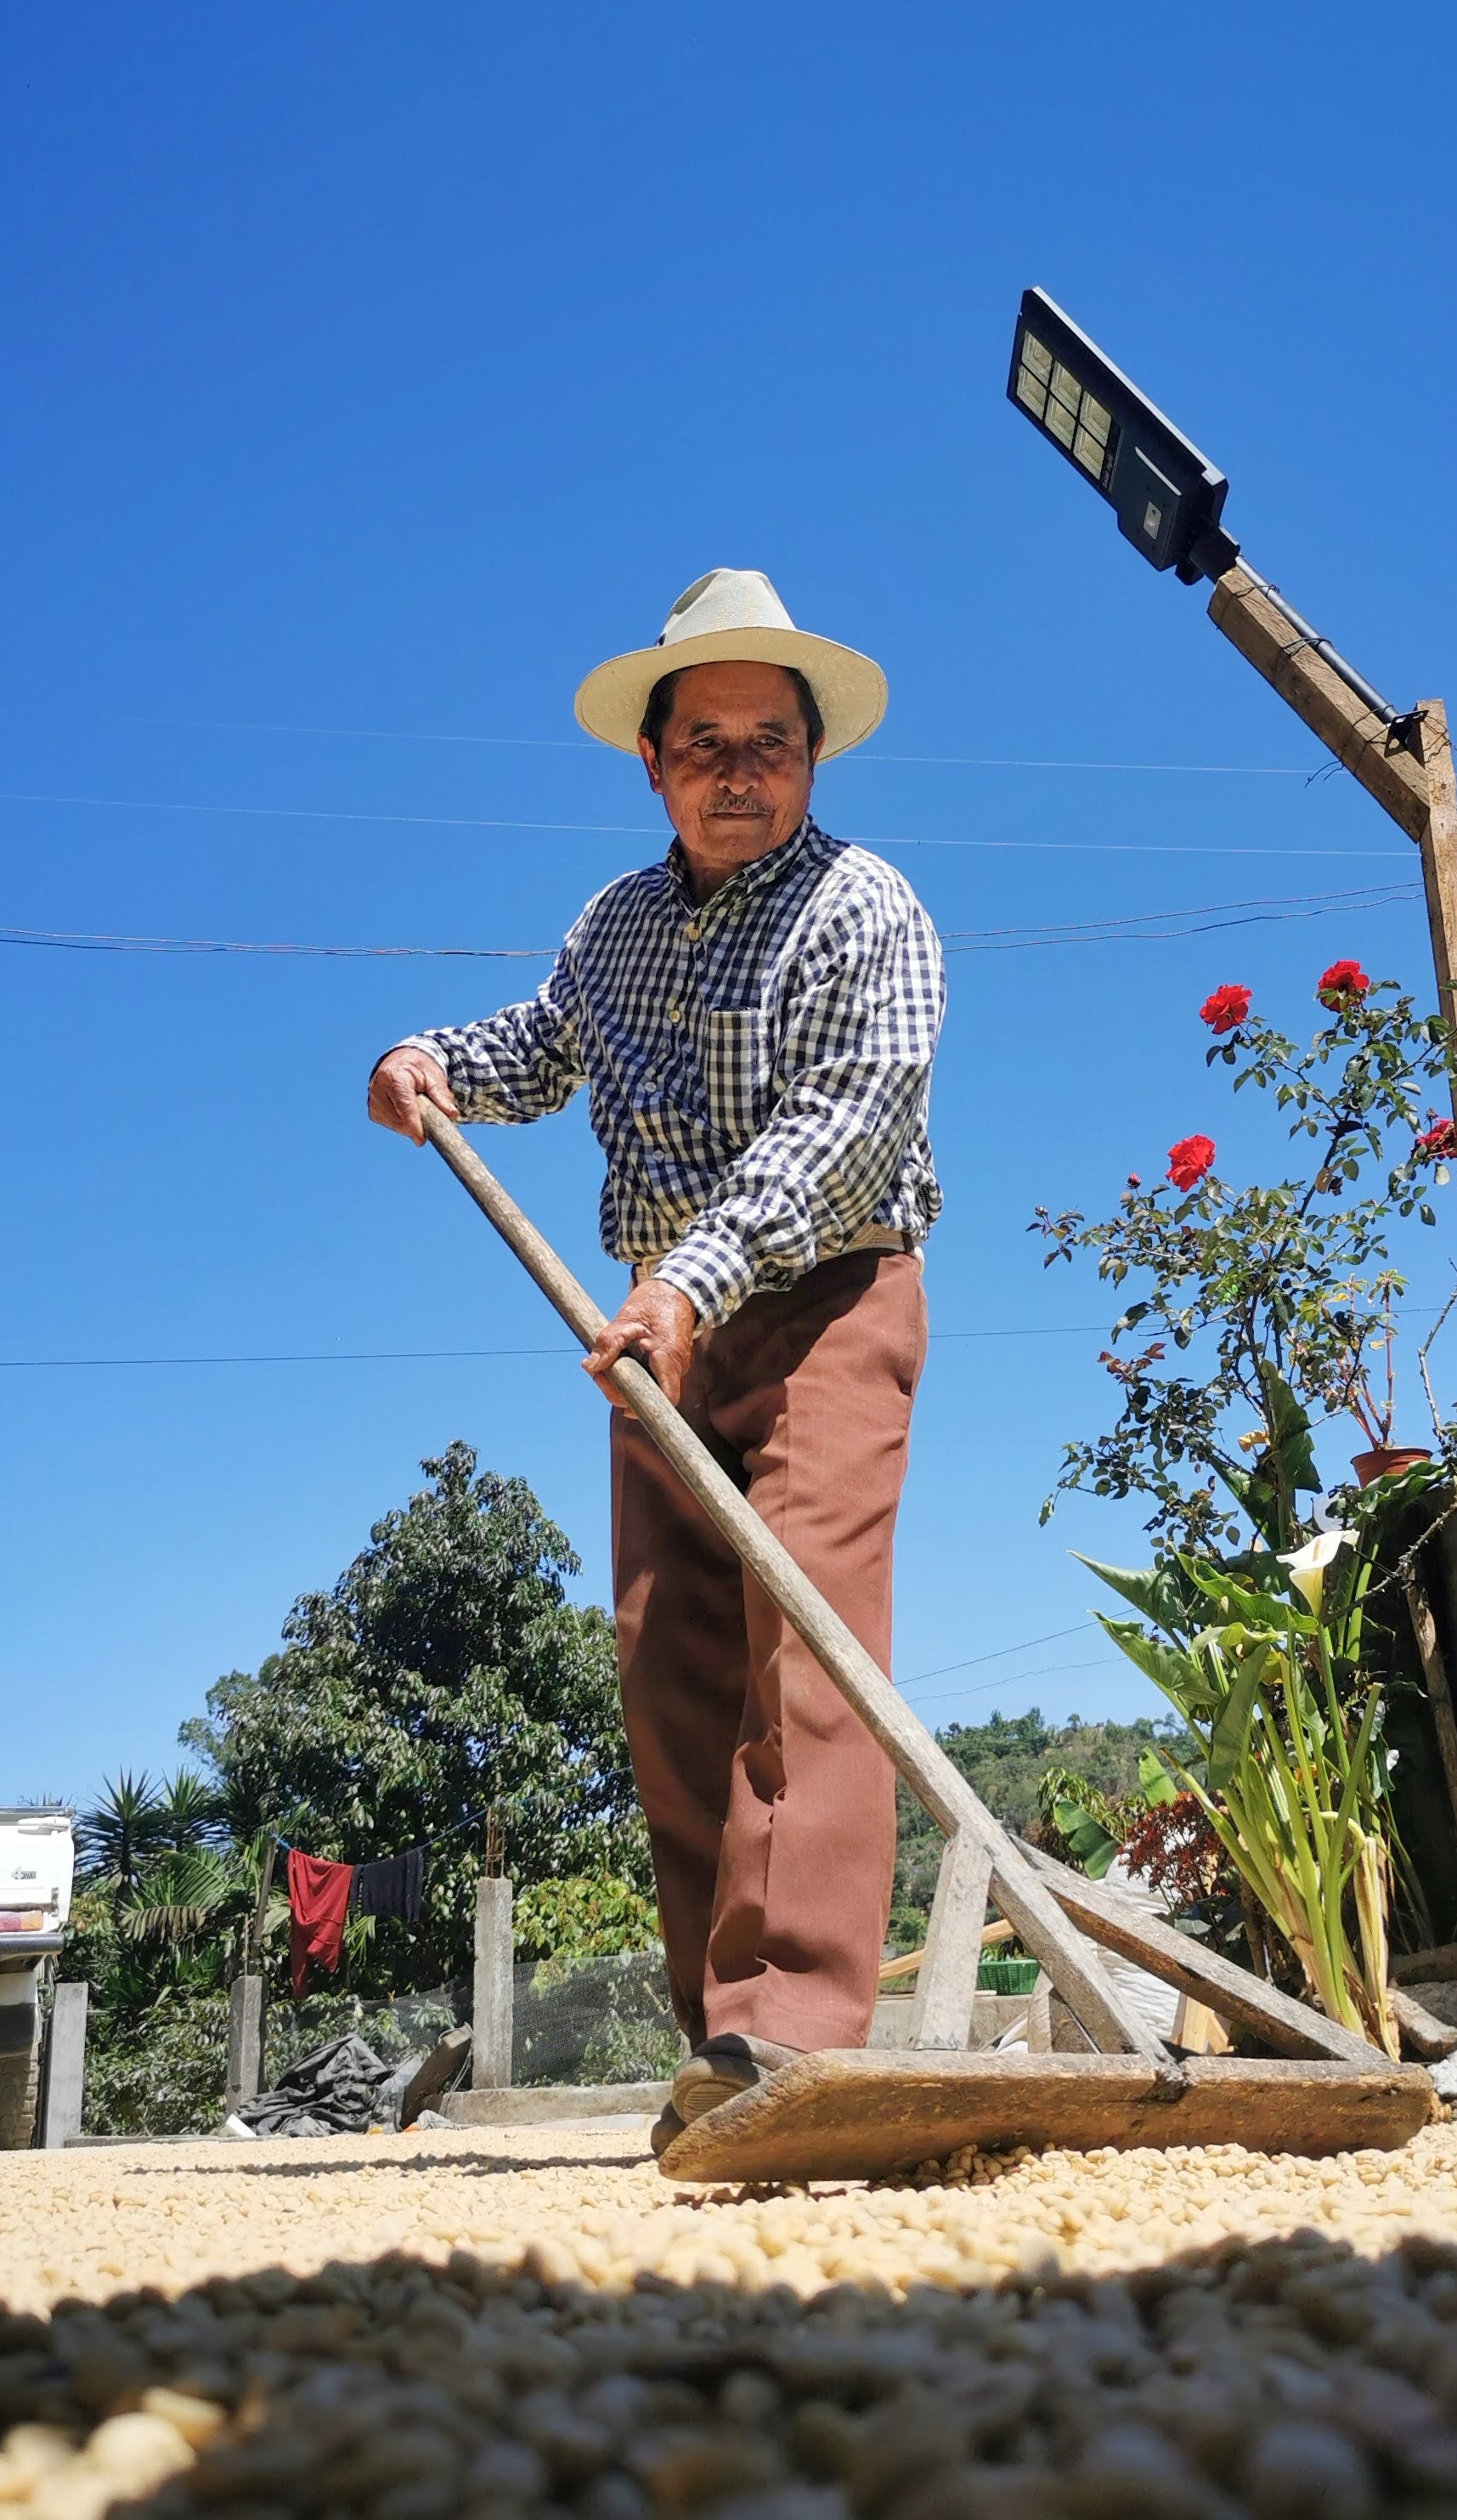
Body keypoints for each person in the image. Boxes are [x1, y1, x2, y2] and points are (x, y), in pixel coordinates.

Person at [368, 568, 944, 2148]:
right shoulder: (611, 928)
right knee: (671, 1667)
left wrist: (692, 1282)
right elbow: (541, 1042)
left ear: (813, 759)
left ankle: (794, 2034)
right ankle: (718, 2046)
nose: (738, 769)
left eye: (770, 741)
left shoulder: (865, 909)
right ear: (652, 760)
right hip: (655, 1329)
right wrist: (432, 1063)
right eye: (706, 741)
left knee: (805, 1657)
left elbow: (844, 1131)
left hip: (822, 1297)